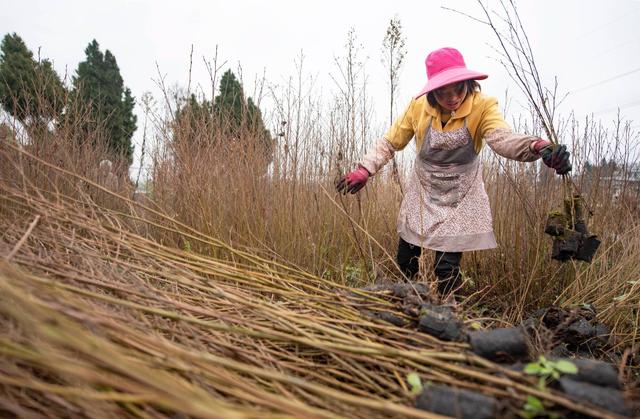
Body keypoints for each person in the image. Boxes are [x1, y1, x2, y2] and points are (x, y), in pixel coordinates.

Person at [336, 47, 571, 296]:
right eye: (443, 93)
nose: (452, 98)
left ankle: (450, 313)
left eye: (458, 89)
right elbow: (390, 142)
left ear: (468, 84)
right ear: (432, 92)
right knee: (407, 258)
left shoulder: (483, 106)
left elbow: (502, 138)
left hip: (462, 193)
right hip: (424, 188)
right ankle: (406, 303)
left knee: (446, 267)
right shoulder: (417, 107)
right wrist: (365, 169)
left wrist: (537, 146)